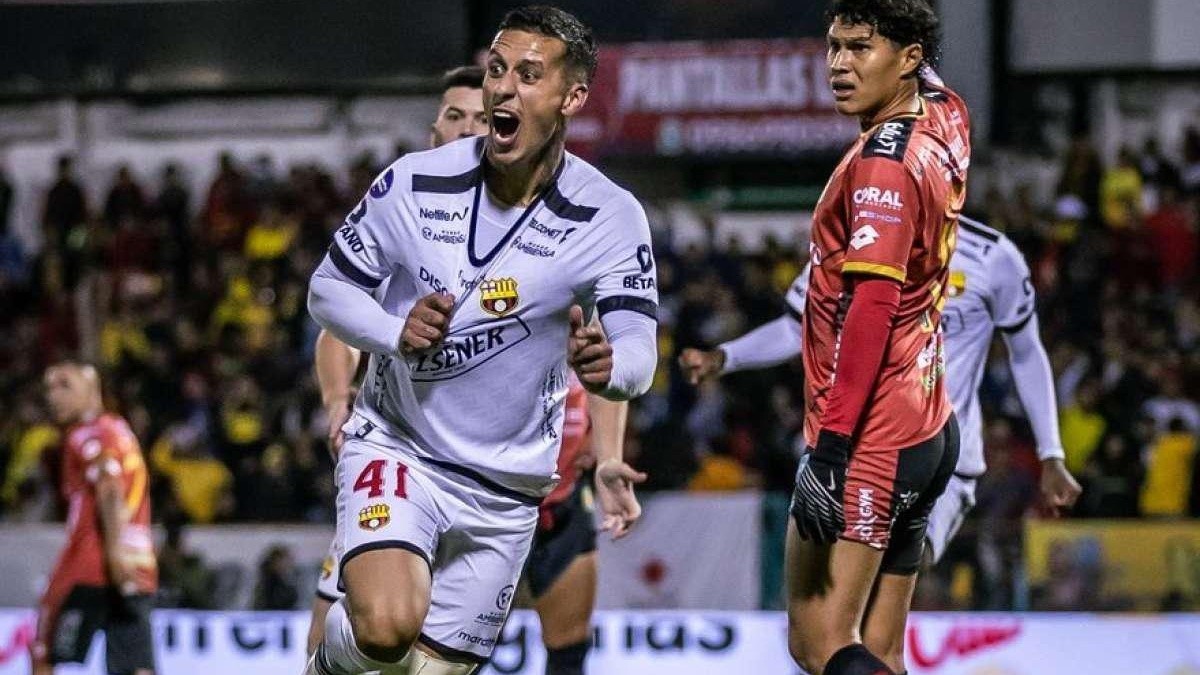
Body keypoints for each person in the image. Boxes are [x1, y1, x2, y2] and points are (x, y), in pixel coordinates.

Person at [304, 6, 658, 674]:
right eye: (497, 69)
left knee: (423, 672)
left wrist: (613, 367)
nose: (503, 89)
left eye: (529, 74)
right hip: (401, 446)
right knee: (385, 627)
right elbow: (328, 291)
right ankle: (325, 664)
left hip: (508, 488)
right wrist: (393, 332)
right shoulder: (413, 181)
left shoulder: (610, 215)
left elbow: (639, 348)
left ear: (572, 97)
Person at [680, 214, 1082, 561]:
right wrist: (724, 357)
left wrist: (1052, 453)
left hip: (946, 456)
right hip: (861, 449)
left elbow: (1026, 353)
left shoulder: (992, 257)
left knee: (903, 565)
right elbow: (795, 327)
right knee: (842, 576)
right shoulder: (848, 242)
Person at [761, 2, 967, 673]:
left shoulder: (883, 164)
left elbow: (872, 307)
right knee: (878, 650)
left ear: (909, 59)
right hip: (928, 423)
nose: (839, 65)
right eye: (834, 46)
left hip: (873, 434)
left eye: (860, 47)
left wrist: (831, 448)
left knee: (819, 642)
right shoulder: (947, 115)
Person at [32, 362, 157, 675]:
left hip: (90, 565)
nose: (52, 396)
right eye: (48, 387)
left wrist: (113, 555)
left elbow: (110, 488)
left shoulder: (87, 433)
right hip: (138, 563)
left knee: (43, 653)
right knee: (134, 664)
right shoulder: (119, 429)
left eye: (65, 385)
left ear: (92, 389)